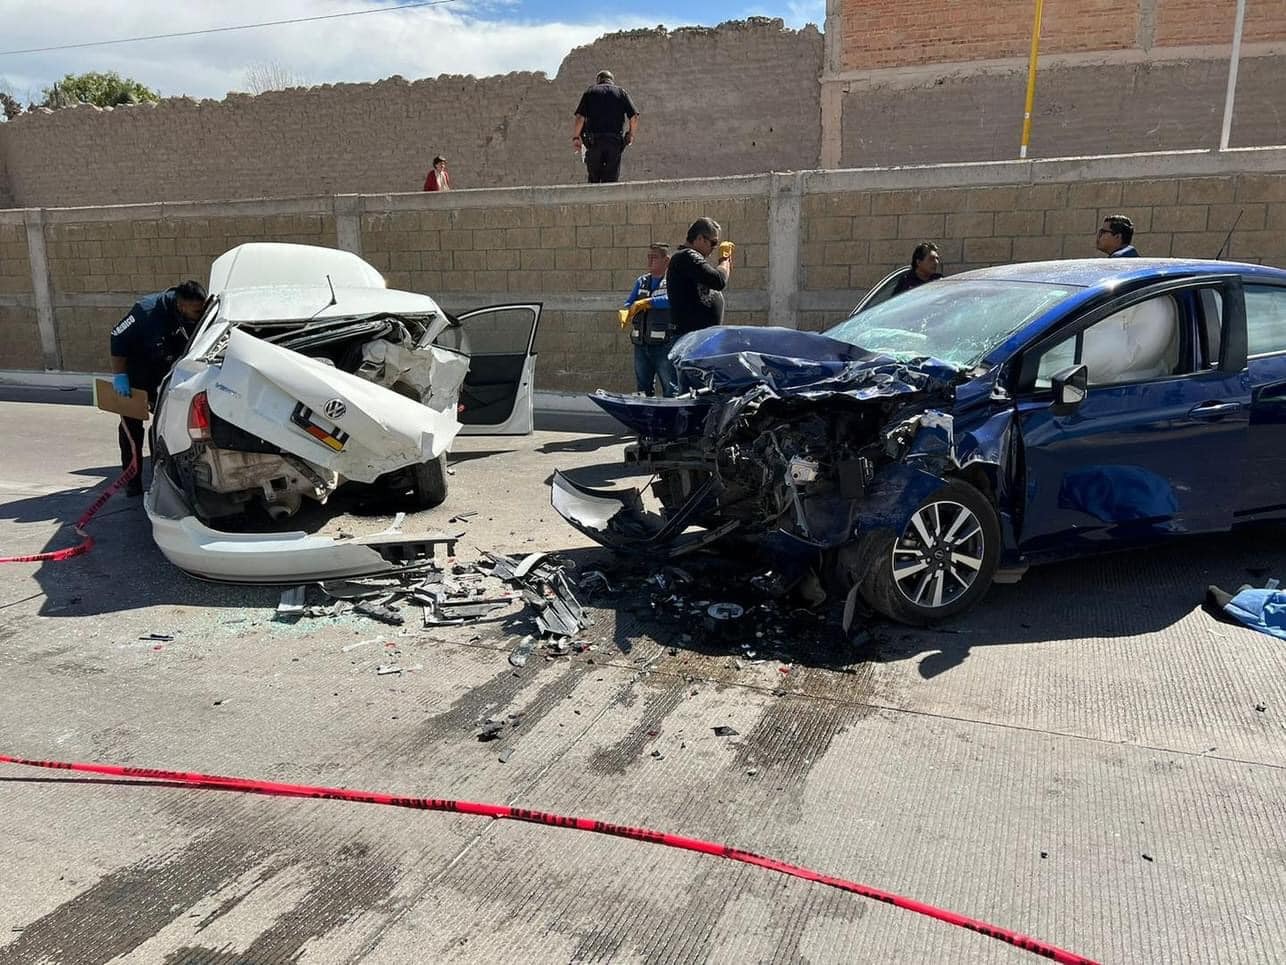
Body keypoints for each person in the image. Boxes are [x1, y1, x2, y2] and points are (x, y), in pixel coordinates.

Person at [109, 280, 207, 495]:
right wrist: (120, 377)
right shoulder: (146, 311)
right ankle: (132, 482)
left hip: (164, 376)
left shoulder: (197, 311)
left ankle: (160, 480)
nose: (199, 315)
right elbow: (116, 337)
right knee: (131, 431)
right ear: (182, 305)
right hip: (135, 377)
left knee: (163, 428)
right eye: (196, 311)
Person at [621, 243, 675, 396]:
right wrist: (626, 311)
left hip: (664, 346)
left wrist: (648, 302)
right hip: (641, 345)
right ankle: (647, 418)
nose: (650, 261)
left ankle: (670, 419)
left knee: (670, 389)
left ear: (666, 261)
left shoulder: (672, 281)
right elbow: (630, 302)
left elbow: (672, 299)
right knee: (643, 390)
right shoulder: (642, 281)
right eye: (648, 257)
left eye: (654, 257)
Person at [666, 217, 733, 338]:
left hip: (699, 337)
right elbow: (718, 280)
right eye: (713, 243)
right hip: (691, 338)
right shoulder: (687, 255)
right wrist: (725, 260)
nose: (714, 248)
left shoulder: (690, 261)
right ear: (700, 238)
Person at [572, 70, 639, 184]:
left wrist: (576, 137)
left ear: (598, 81)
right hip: (614, 142)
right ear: (611, 81)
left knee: (594, 180)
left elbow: (580, 118)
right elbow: (634, 117)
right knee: (611, 181)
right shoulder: (621, 92)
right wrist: (630, 134)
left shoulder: (590, 92)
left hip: (594, 142)